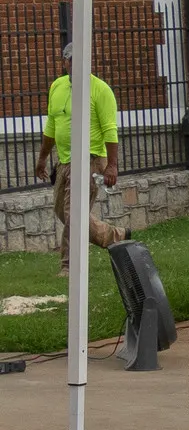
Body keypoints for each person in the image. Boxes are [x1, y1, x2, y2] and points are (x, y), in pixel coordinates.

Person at [35, 44, 124, 270]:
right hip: (64, 160)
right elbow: (51, 125)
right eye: (72, 60)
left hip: (90, 159)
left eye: (82, 60)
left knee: (74, 214)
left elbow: (110, 130)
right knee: (62, 211)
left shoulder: (100, 90)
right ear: (65, 62)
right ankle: (114, 236)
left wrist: (112, 166)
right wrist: (43, 158)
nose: (77, 65)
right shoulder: (57, 86)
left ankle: (69, 267)